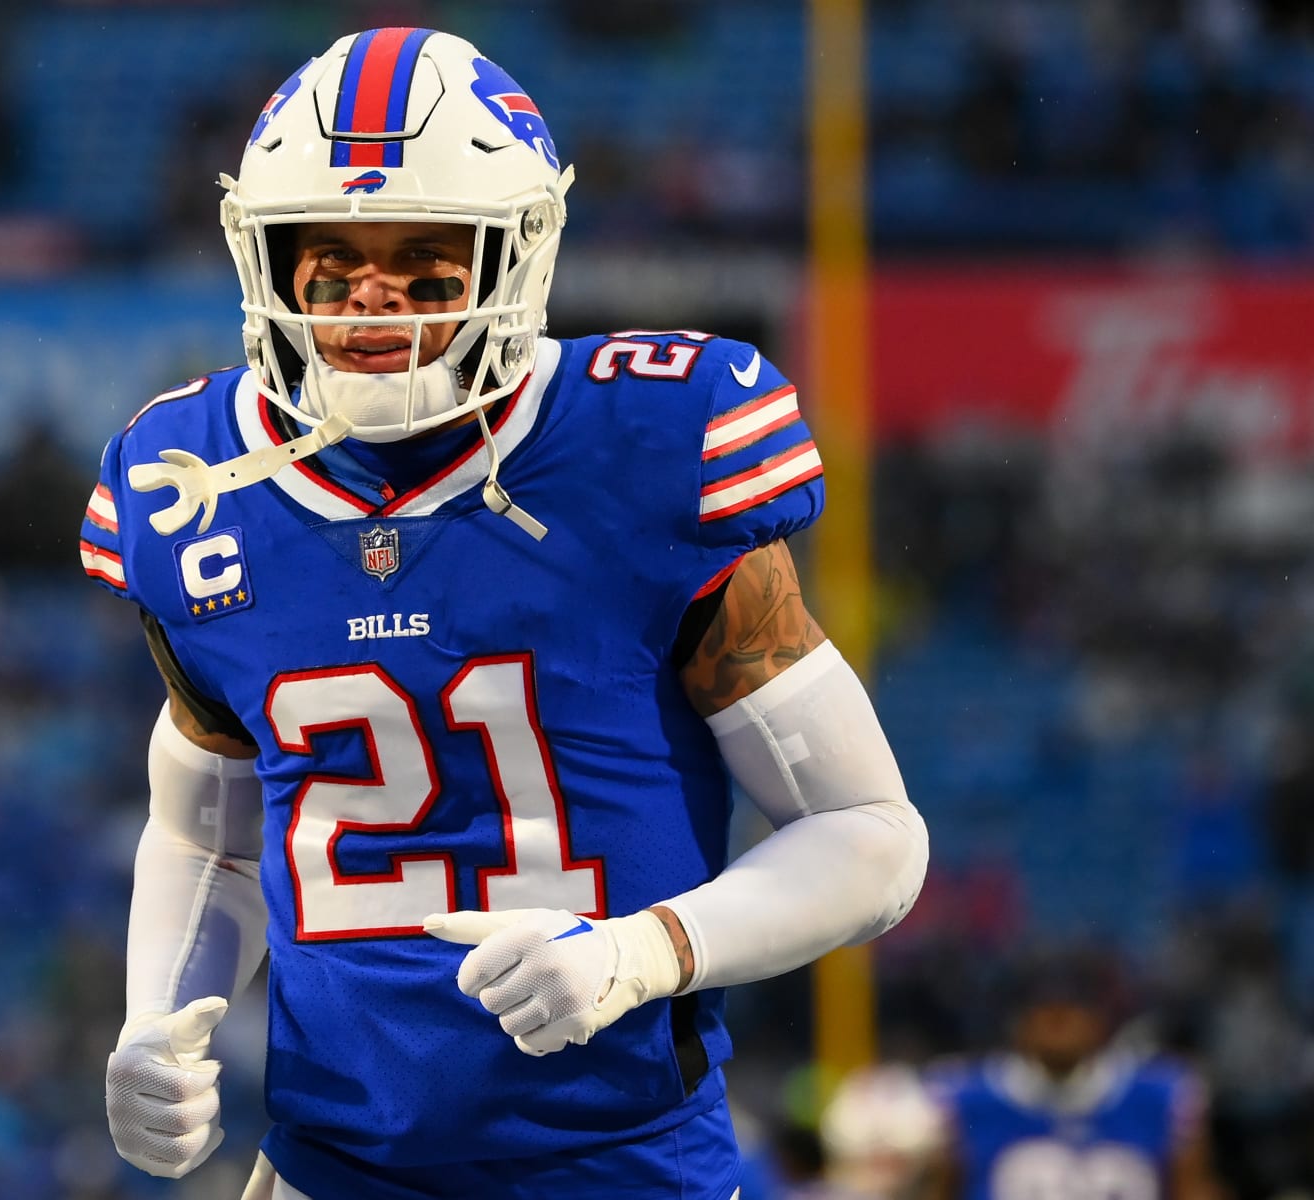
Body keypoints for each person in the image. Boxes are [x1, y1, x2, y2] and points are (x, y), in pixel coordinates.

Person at [85, 27, 928, 1199]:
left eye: (426, 264)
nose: (369, 303)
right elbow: (203, 833)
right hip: (330, 1168)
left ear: (517, 259)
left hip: (620, 1166)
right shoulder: (188, 480)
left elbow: (872, 836)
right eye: (327, 265)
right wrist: (152, 1024)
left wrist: (642, 953)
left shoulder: (647, 446)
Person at [922, 950, 1222, 1200]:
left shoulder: (1161, 1094)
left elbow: (1194, 1190)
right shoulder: (963, 1096)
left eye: (1070, 1012)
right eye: (1047, 1013)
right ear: (1020, 1024)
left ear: (1098, 1021)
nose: (1059, 1025)